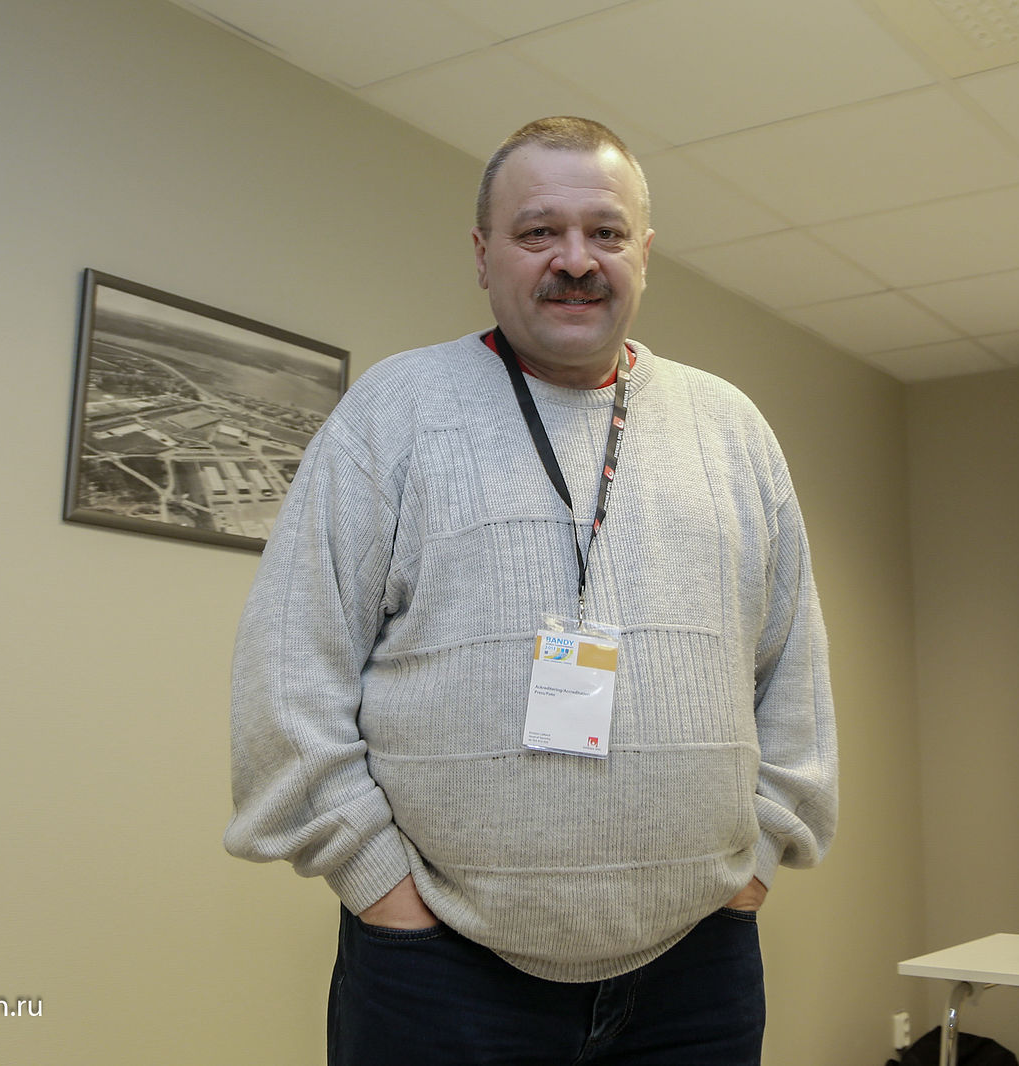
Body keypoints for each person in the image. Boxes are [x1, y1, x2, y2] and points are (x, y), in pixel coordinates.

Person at [225, 116, 837, 1066]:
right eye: (539, 231)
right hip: (440, 979)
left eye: (605, 232)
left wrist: (753, 869)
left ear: (644, 253)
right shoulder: (395, 413)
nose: (576, 260)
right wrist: (383, 890)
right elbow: (288, 676)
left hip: (698, 977)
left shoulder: (731, 428)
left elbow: (792, 673)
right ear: (483, 254)